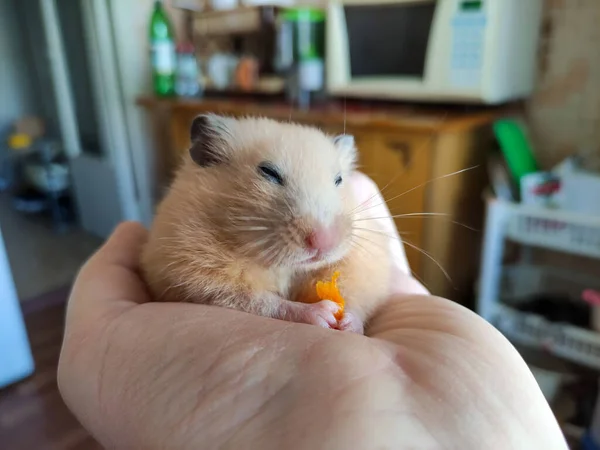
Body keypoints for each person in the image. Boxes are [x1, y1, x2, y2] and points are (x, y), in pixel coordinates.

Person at [58, 174, 567, 449]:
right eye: (272, 178)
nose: (319, 237)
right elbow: (177, 278)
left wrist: (357, 317)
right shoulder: (191, 221)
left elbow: (375, 292)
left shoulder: (353, 239)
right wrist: (285, 311)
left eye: (336, 179)